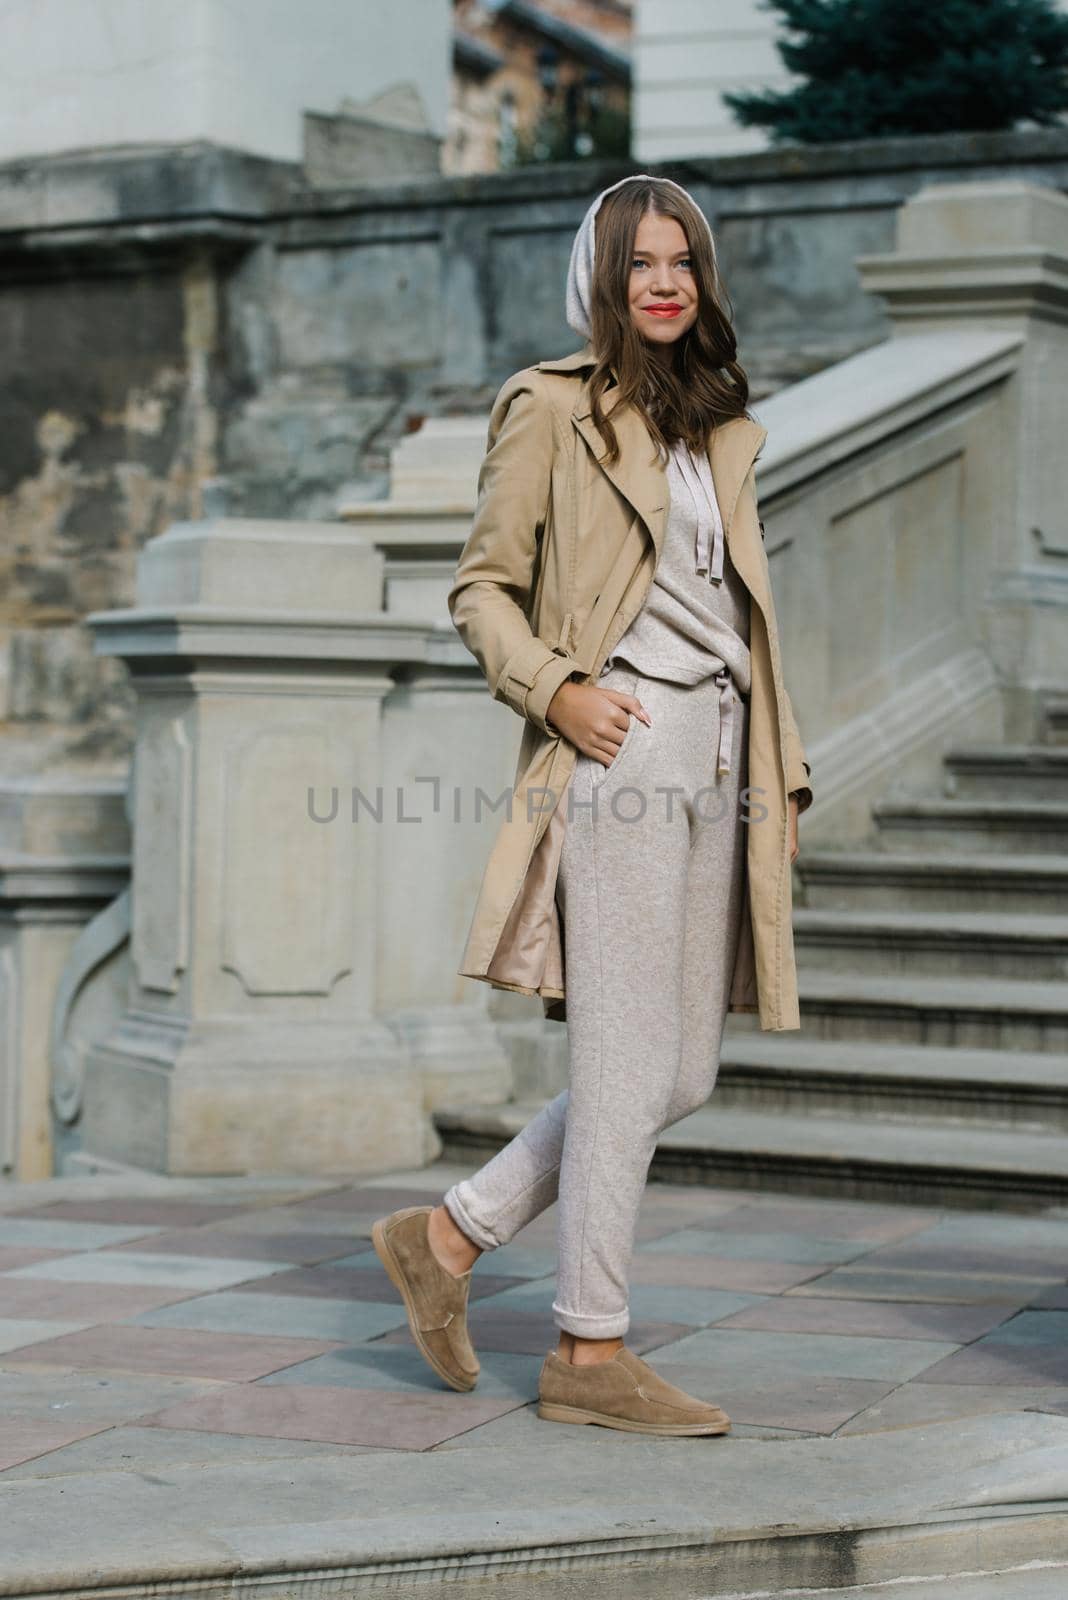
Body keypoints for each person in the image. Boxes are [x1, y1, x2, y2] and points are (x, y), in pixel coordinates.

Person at [373, 173, 813, 1437]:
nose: (665, 283)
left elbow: (743, 624)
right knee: (622, 1061)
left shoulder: (716, 425)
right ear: (603, 280)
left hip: (721, 754)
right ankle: (587, 1346)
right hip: (622, 748)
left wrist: (779, 776)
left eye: (682, 262)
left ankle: (451, 1236)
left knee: (678, 1069)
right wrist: (559, 691)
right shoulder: (552, 410)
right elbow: (481, 589)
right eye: (640, 265)